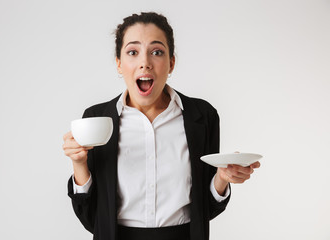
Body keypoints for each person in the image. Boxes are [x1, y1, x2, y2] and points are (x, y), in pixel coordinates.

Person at [62, 12, 260, 240]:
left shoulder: (202, 116)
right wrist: (79, 163)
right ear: (119, 63)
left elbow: (205, 211)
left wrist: (223, 178)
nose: (145, 63)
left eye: (156, 52)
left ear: (171, 63)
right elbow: (90, 218)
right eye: (132, 52)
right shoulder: (96, 119)